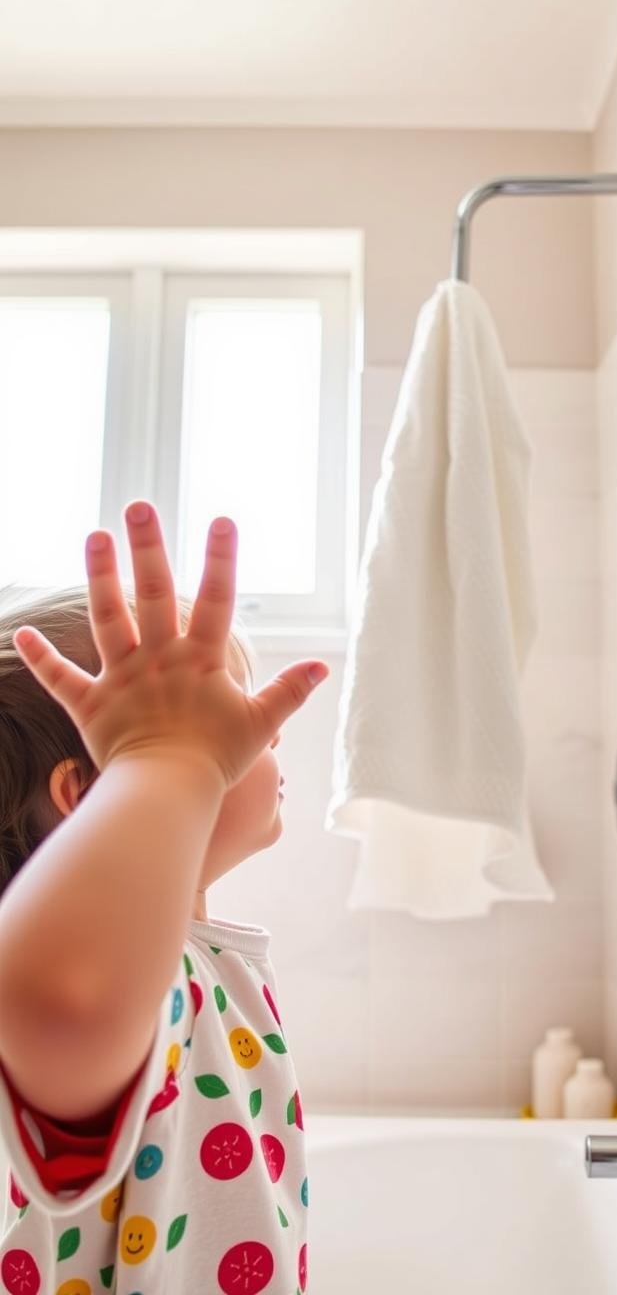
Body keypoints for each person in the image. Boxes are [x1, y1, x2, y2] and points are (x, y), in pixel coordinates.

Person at [0, 499, 329, 1294]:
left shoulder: (197, 965)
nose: (262, 730)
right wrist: (167, 758)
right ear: (89, 797)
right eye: (213, 717)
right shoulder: (131, 985)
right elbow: (61, 1002)